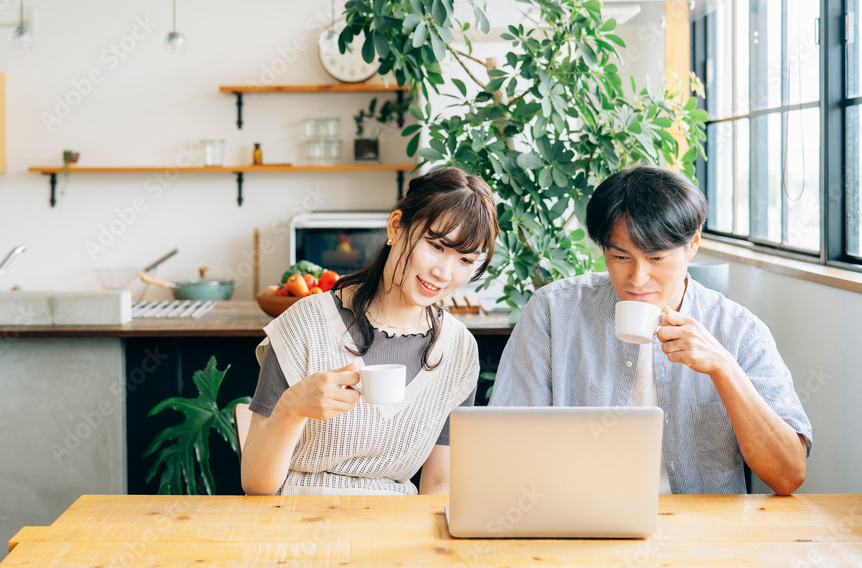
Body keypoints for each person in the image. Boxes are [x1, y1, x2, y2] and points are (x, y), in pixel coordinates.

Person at [490, 165, 812, 495]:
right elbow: (503, 447)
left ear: (694, 244)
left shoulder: (739, 331)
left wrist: (724, 368)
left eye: (656, 258)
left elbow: (787, 475)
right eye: (620, 256)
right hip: (578, 521)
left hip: (701, 535)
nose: (637, 278)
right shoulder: (553, 312)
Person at [241, 166, 500, 496]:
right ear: (396, 227)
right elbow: (255, 484)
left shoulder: (459, 350)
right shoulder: (307, 323)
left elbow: (439, 486)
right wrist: (293, 408)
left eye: (465, 260)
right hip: (297, 522)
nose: (443, 272)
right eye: (436, 245)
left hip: (396, 531)